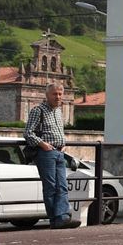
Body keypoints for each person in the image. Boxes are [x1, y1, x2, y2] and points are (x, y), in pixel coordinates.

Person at [24, 84, 80, 229]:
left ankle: (62, 217)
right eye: (55, 94)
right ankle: (55, 218)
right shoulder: (38, 110)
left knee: (62, 186)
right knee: (50, 187)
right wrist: (43, 145)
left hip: (59, 152)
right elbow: (28, 133)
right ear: (47, 95)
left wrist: (63, 143)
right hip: (46, 153)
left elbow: (58, 131)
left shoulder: (58, 111)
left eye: (60, 94)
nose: (58, 97)